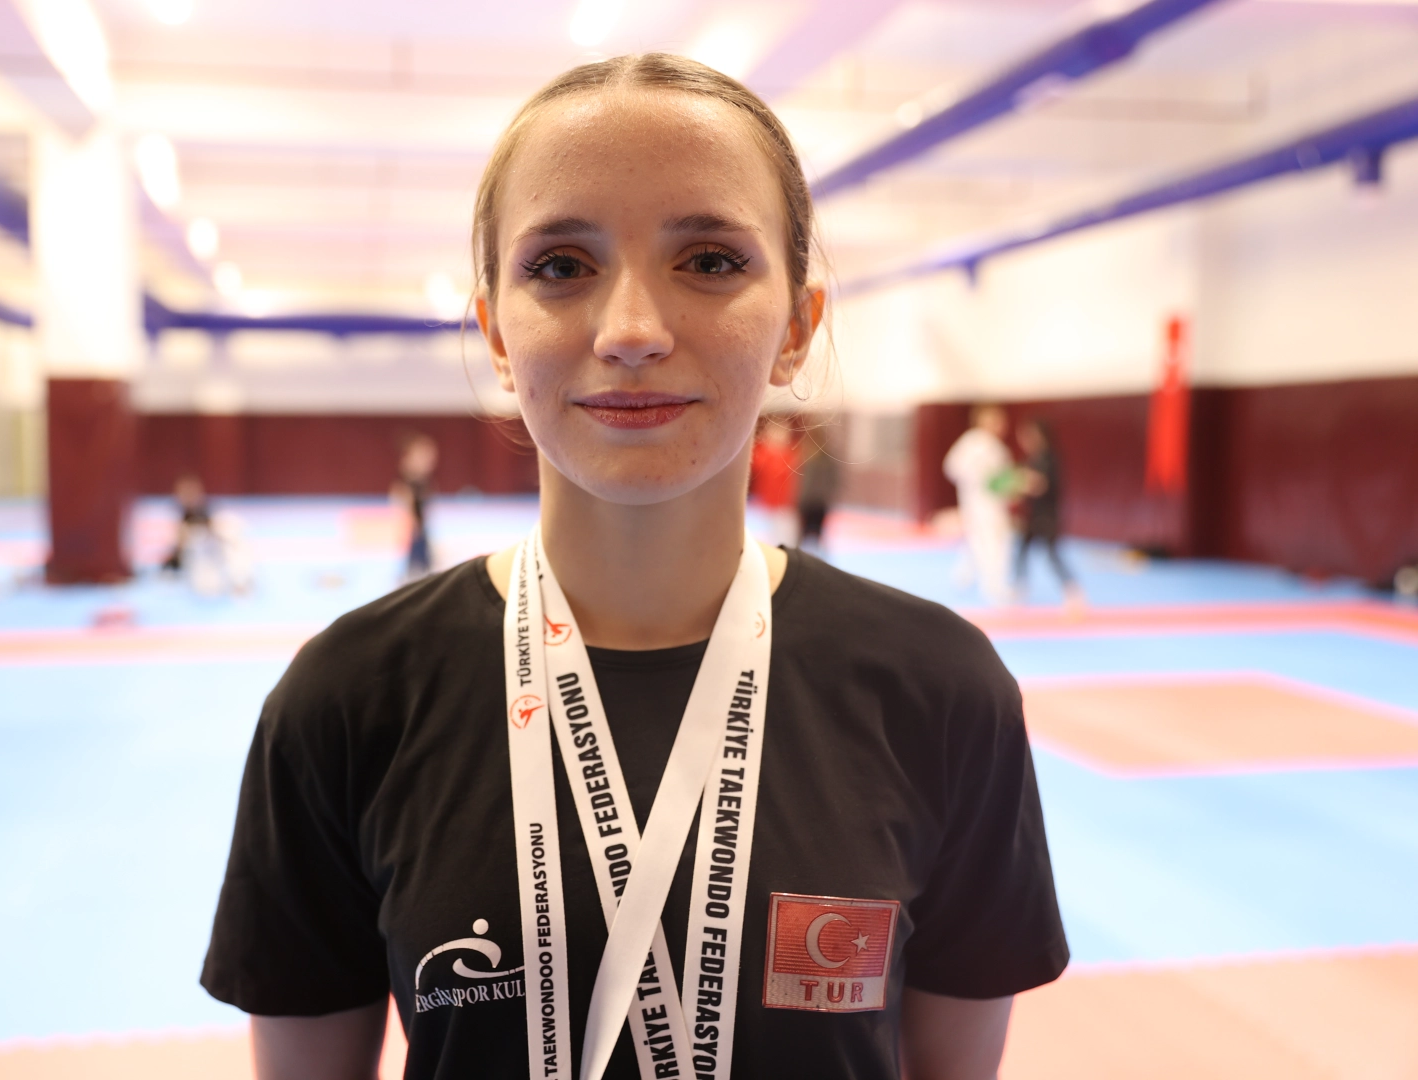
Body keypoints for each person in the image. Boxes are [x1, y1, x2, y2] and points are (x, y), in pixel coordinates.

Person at [202, 54, 1067, 1080]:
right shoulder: (347, 701)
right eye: (561, 266)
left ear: (797, 328)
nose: (632, 333)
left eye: (710, 260)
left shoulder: (939, 692)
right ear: (496, 332)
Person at [943, 405, 1017, 605]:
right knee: (995, 545)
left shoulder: (977, 443)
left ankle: (963, 577)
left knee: (976, 542)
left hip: (976, 503)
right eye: (997, 421)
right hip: (986, 505)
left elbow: (951, 468)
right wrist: (979, 482)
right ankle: (995, 589)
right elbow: (997, 479)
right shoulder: (983, 444)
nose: (1001, 426)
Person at [1014, 419, 1084, 612]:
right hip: (1032, 514)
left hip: (1047, 515)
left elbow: (1041, 485)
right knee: (1021, 551)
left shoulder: (1050, 459)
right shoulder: (1031, 459)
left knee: (1052, 555)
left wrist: (1024, 483)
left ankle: (1073, 592)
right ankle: (1019, 589)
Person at [161, 474, 252, 596]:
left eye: (191, 491)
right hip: (195, 572)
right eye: (183, 492)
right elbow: (178, 551)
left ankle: (240, 582)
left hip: (215, 563)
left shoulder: (214, 515)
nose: (188, 496)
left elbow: (231, 544)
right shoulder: (179, 517)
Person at [392, 433, 438, 580]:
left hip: (420, 522)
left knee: (422, 555)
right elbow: (405, 498)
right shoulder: (408, 479)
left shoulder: (421, 479)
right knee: (416, 555)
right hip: (416, 524)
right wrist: (412, 521)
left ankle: (419, 574)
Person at [748, 420, 798, 548]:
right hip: (761, 505)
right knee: (759, 540)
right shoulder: (762, 453)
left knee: (785, 540)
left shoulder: (790, 455)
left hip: (783, 505)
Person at [794, 432, 839, 554]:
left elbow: (807, 483)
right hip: (818, 501)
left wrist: (800, 500)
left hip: (813, 502)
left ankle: (802, 555)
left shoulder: (814, 460)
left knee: (808, 533)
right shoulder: (823, 460)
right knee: (814, 533)